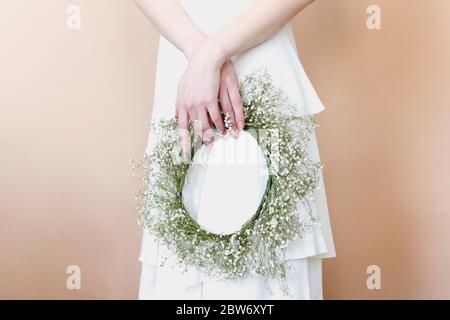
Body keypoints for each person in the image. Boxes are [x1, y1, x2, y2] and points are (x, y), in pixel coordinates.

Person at [134, 0, 336, 300]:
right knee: (180, 269)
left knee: (269, 265)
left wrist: (212, 54)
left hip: (260, 59)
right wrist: (198, 52)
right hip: (185, 70)